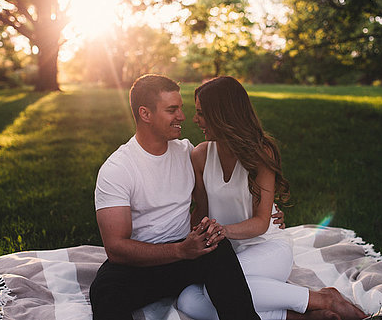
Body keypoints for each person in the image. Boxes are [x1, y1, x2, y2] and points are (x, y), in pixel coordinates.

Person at [177, 76, 367, 320]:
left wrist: (222, 230)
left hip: (267, 247)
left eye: (201, 113)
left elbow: (261, 222)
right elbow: (201, 210)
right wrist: (182, 241)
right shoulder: (200, 155)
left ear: (222, 114)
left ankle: (323, 298)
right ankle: (302, 317)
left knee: (217, 289)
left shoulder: (259, 153)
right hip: (226, 254)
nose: (195, 120)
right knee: (188, 300)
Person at [89, 74, 261, 320]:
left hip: (188, 256)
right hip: (140, 264)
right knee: (105, 291)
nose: (182, 116)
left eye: (181, 108)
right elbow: (116, 248)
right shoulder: (118, 168)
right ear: (145, 114)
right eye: (172, 110)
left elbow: (228, 188)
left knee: (217, 247)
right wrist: (180, 250)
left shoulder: (187, 153)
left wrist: (268, 208)